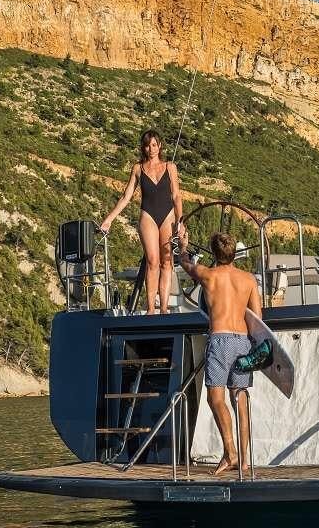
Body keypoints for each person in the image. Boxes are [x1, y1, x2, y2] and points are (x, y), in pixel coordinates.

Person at [177, 226, 262, 476]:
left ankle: (230, 453)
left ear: (214, 253)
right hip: (243, 341)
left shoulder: (208, 275)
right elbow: (257, 318)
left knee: (215, 399)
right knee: (240, 399)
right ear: (234, 253)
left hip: (220, 340)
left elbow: (185, 263)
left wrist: (183, 246)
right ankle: (244, 461)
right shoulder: (249, 280)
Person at [99, 130, 182, 315]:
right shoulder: (138, 168)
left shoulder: (170, 167)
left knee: (166, 262)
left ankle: (163, 309)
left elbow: (176, 196)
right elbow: (126, 196)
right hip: (148, 216)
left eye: (154, 145)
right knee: (152, 261)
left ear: (159, 146)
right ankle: (151, 309)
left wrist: (180, 221)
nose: (151, 149)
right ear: (143, 148)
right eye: (147, 145)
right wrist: (109, 219)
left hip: (168, 216)